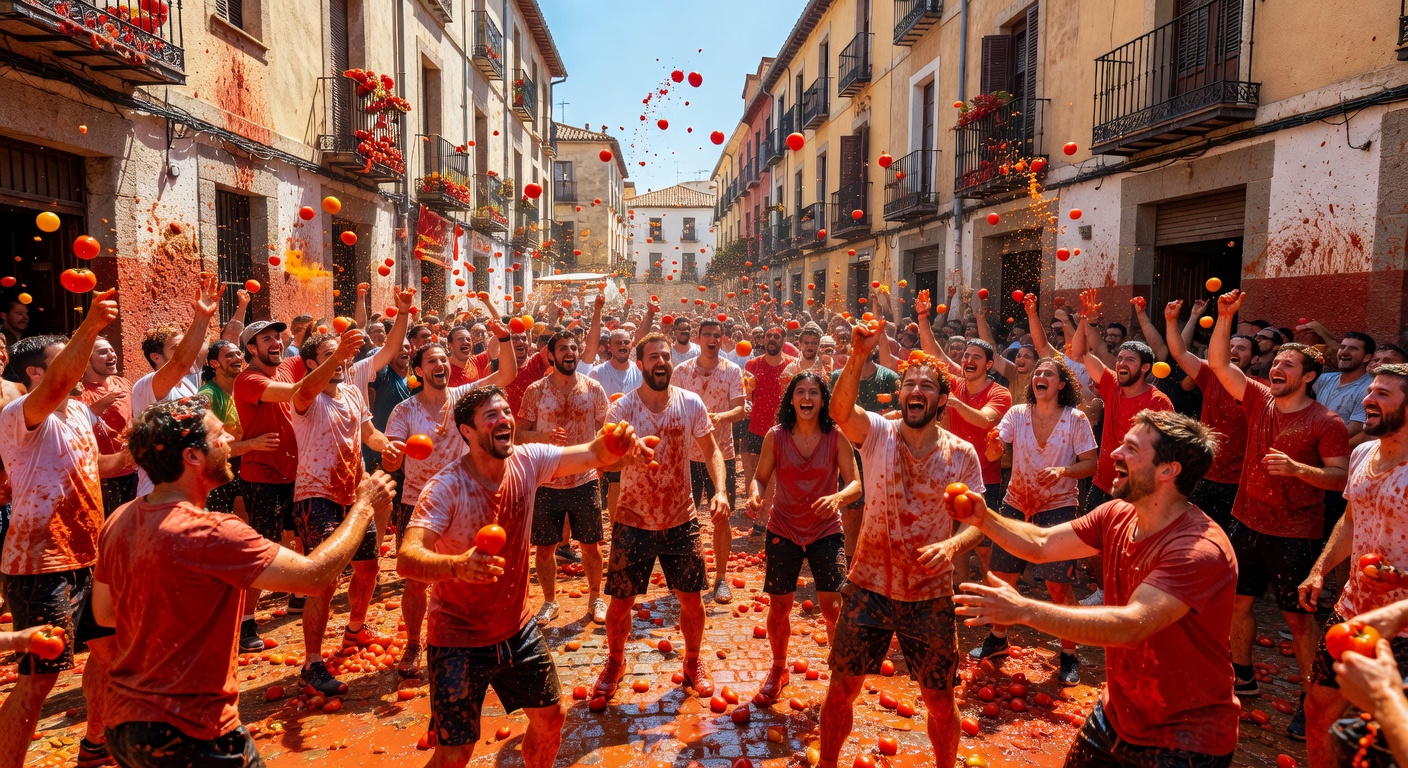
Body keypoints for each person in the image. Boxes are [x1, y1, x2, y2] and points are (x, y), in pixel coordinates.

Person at [91, 395, 396, 768]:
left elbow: (105, 614)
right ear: (192, 456)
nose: (229, 443)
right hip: (192, 729)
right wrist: (363, 507)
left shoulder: (118, 520)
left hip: (125, 724)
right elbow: (315, 578)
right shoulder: (213, 531)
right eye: (220, 436)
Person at [952, 410, 1238, 768]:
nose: (1114, 454)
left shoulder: (1198, 549)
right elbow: (1040, 543)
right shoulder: (1116, 514)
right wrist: (984, 518)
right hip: (1115, 717)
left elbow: (1131, 626)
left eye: (1130, 449)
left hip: (1186, 741)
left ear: (1168, 471)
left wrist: (1024, 610)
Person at [397, 385, 652, 768]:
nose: (504, 421)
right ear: (467, 431)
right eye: (491, 416)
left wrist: (618, 443)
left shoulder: (528, 461)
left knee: (552, 719)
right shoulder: (446, 487)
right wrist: (455, 566)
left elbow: (594, 454)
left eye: (505, 412)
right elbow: (406, 557)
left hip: (517, 630)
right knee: (454, 753)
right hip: (457, 640)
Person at [818, 321, 984, 768]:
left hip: (929, 595)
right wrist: (857, 356)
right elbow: (839, 411)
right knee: (841, 689)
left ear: (941, 400)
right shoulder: (876, 434)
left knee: (938, 699)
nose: (915, 390)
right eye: (909, 382)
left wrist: (952, 547)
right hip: (868, 585)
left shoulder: (962, 454)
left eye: (926, 385)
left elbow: (979, 523)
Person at [1206, 289, 1350, 739]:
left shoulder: (1327, 422)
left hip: (1294, 533)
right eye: (1276, 363)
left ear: (1309, 376)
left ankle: (1312, 702)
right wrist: (1224, 317)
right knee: (1237, 603)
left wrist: (1296, 468)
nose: (1276, 369)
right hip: (1245, 520)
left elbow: (1339, 477)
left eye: (1288, 365)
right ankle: (1242, 675)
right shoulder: (1259, 398)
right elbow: (1219, 366)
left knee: (1298, 621)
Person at [0, 291, 124, 768]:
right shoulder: (21, 413)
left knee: (111, 655)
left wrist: (143, 453)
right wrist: (89, 326)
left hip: (90, 558)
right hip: (40, 564)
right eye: (65, 362)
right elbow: (56, 386)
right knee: (39, 678)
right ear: (36, 372)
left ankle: (95, 745)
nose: (81, 367)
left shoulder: (75, 412)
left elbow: (97, 465)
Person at [593, 334, 728, 700]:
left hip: (680, 519)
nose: (661, 362)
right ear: (640, 365)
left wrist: (721, 491)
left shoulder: (690, 403)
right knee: (620, 603)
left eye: (665, 356)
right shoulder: (622, 410)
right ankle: (615, 662)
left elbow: (712, 450)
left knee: (691, 600)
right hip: (632, 518)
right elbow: (603, 460)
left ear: (672, 362)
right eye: (653, 357)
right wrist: (625, 458)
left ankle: (693, 661)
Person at [382, 336, 516, 678]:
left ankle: (477, 637)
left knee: (473, 570)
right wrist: (392, 455)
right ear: (419, 371)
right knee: (415, 579)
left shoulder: (462, 399)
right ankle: (414, 644)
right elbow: (391, 454)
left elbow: (505, 376)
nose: (441, 366)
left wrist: (504, 338)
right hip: (418, 502)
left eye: (444, 360)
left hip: (463, 500)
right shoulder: (405, 410)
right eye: (432, 362)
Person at [1297, 364, 1408, 768]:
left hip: (1404, 626)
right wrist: (1319, 571)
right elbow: (1350, 520)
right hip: (1351, 612)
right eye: (1370, 391)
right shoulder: (1361, 452)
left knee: (1385, 737)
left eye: (1383, 395)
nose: (1368, 400)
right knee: (1319, 708)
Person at [970, 357, 1098, 684]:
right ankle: (998, 639)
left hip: (1058, 509)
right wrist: (994, 446)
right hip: (1016, 503)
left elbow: (1091, 464)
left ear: (1061, 385)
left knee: (1058, 586)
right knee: (1001, 578)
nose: (1040, 377)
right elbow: (994, 454)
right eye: (1038, 373)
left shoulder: (1076, 419)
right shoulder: (1017, 414)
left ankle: (1069, 653)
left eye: (1048, 374)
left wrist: (1065, 470)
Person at [289, 327, 398, 695]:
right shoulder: (305, 396)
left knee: (369, 568)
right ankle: (312, 663)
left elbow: (369, 435)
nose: (342, 361)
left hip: (355, 494)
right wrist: (336, 358)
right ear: (311, 363)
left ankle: (355, 629)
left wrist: (389, 446)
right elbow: (304, 390)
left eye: (343, 355)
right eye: (330, 355)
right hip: (315, 495)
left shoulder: (352, 391)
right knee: (322, 581)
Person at [746, 372, 859, 705]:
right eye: (800, 392)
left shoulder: (836, 437)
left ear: (823, 400)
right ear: (791, 399)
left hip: (826, 531)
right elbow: (760, 479)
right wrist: (755, 495)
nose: (807, 398)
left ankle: (838, 672)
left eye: (814, 392)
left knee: (833, 607)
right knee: (780, 606)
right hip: (783, 528)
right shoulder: (775, 436)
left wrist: (838, 498)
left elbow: (856, 484)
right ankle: (779, 668)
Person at [517, 330, 610, 625]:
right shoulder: (535, 391)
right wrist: (543, 436)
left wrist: (605, 457)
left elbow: (606, 431)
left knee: (591, 545)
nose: (569, 352)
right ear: (551, 356)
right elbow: (518, 434)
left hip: (584, 479)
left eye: (573, 348)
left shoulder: (594, 388)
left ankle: (596, 598)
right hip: (547, 480)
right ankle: (549, 601)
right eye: (563, 348)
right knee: (545, 549)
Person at [1073, 289, 1174, 511]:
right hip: (1102, 485)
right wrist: (1084, 318)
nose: (1121, 364)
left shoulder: (1159, 401)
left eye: (1129, 360)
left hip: (1137, 489)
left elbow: (1166, 448)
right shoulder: (1111, 385)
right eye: (1119, 359)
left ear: (1145, 367)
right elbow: (1081, 353)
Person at [129, 274, 226, 498]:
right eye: (176, 347)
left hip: (190, 488)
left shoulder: (188, 388)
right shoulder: (147, 386)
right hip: (159, 493)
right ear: (155, 357)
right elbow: (180, 362)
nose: (187, 352)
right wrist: (201, 318)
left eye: (185, 345)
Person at [672, 319, 747, 603]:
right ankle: (684, 573)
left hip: (721, 453)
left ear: (722, 339)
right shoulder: (681, 372)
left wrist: (719, 418)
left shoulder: (732, 371)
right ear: (698, 339)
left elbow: (740, 409)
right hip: (686, 455)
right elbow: (671, 405)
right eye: (707, 335)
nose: (712, 339)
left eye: (717, 335)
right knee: (682, 516)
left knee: (721, 516)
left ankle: (721, 578)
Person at [1163, 300, 1253, 533]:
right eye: (1230, 345)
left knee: (1226, 542)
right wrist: (1171, 320)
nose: (1233, 351)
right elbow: (1179, 352)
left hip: (1238, 482)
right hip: (1204, 474)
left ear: (1254, 360)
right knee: (1192, 535)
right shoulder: (1209, 376)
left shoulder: (1259, 389)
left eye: (1241, 348)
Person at [743, 326, 796, 536]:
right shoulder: (752, 365)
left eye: (777, 336)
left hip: (778, 430)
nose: (772, 339)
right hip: (754, 427)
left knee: (772, 477)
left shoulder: (791, 367)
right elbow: (746, 395)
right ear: (763, 340)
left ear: (783, 340)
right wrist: (747, 401)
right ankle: (758, 512)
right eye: (768, 336)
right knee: (751, 478)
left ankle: (762, 523)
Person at [78, 338, 136, 515]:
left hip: (133, 472)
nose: (112, 354)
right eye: (103, 352)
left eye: (112, 349)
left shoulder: (124, 384)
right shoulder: (77, 392)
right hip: (99, 479)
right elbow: (70, 430)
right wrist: (95, 409)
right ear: (86, 360)